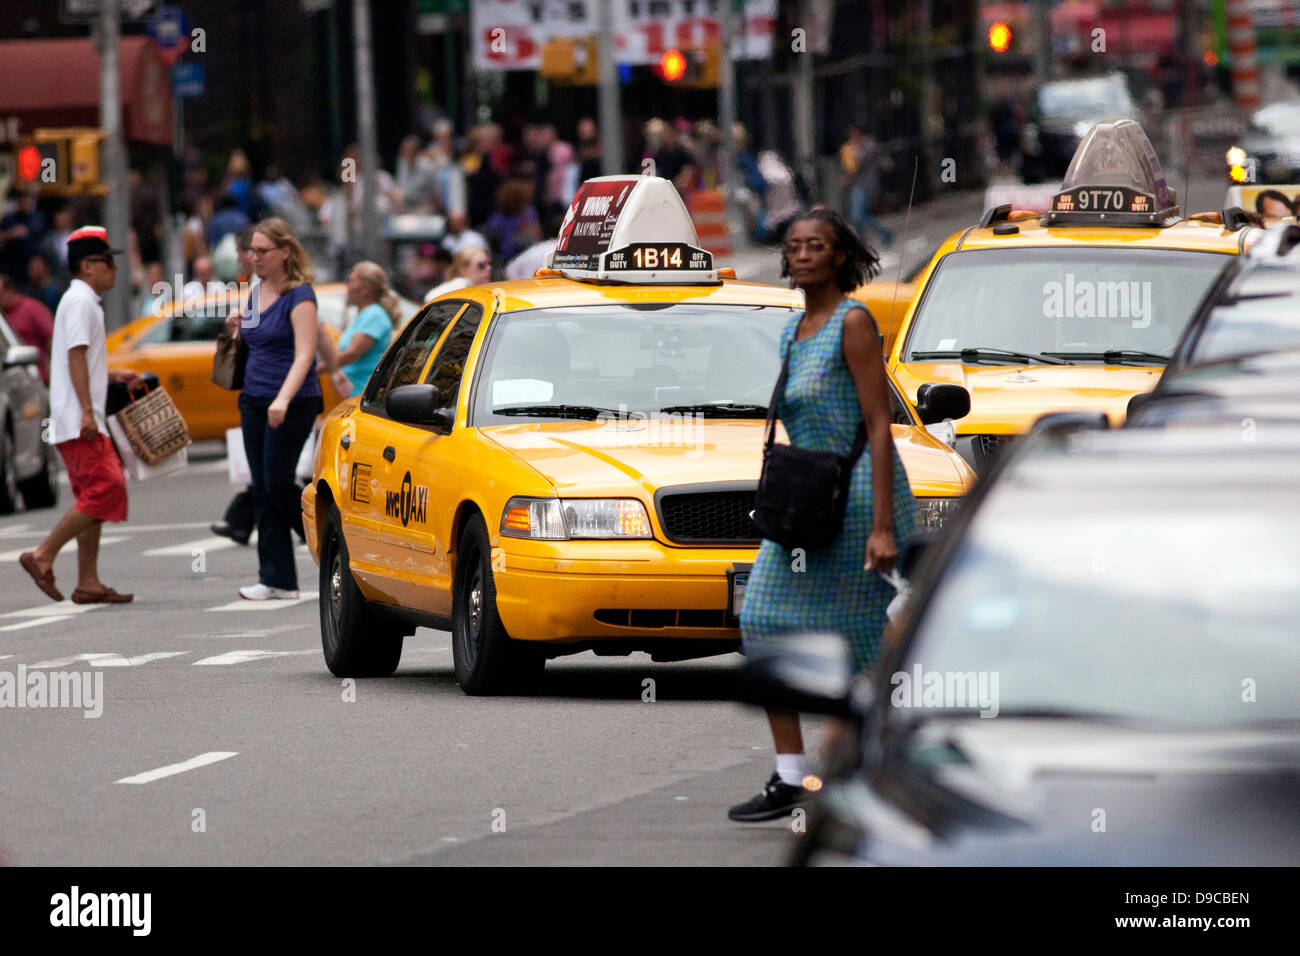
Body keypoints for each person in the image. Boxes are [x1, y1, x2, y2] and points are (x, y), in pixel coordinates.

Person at [728, 208, 917, 822]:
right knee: (759, 618)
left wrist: (884, 525)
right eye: (795, 247)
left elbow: (878, 423)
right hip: (810, 500)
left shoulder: (852, 322)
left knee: (865, 640)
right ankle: (791, 776)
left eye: (817, 246)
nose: (804, 255)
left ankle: (876, 766)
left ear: (840, 257)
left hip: (861, 497)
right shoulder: (792, 330)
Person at [19, 227, 144, 605]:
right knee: (108, 487)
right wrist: (89, 411)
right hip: (79, 419)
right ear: (88, 265)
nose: (114, 270)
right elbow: (75, 356)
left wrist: (109, 374)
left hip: (77, 416)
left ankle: (88, 581)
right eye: (108, 262)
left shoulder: (81, 300)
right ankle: (43, 556)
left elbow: (81, 360)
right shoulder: (81, 301)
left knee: (92, 496)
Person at [229, 217, 325, 600]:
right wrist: (236, 325)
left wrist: (283, 398)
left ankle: (321, 535)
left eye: (263, 251)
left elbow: (305, 352)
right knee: (261, 488)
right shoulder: (254, 290)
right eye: (251, 251)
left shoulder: (299, 295)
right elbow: (255, 340)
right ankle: (277, 578)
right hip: (253, 397)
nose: (255, 258)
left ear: (285, 252)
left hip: (293, 400)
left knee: (277, 482)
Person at [332, 261, 401, 397]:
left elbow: (352, 353)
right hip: (354, 395)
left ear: (364, 289)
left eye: (351, 281)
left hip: (363, 395)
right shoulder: (365, 314)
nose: (347, 285)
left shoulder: (374, 314)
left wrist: (319, 368)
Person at [841, 124, 894, 247]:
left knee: (857, 216)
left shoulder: (868, 144)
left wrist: (854, 149)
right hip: (856, 185)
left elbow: (858, 161)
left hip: (866, 185)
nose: (852, 135)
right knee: (858, 216)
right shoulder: (851, 146)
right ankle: (865, 241)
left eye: (854, 132)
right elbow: (848, 166)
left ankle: (884, 233)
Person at [0, 273, 55, 383]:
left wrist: (53, 368)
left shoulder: (32, 308)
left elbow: (51, 338)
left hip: (36, 377)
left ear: (10, 290)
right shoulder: (2, 318)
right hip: (11, 381)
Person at [425, 245, 490, 300]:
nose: (489, 268)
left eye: (489, 263)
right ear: (463, 269)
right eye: (481, 265)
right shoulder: (460, 286)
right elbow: (430, 297)